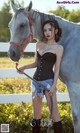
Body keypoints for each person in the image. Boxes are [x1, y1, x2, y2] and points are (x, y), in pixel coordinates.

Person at [18, 19, 64, 133]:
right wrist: (24, 68)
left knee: (55, 115)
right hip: (35, 82)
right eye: (45, 30)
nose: (47, 32)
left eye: (50, 30)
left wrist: (54, 85)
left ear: (56, 31)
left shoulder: (58, 48)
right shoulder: (39, 44)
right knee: (36, 116)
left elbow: (57, 68)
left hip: (49, 83)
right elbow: (36, 63)